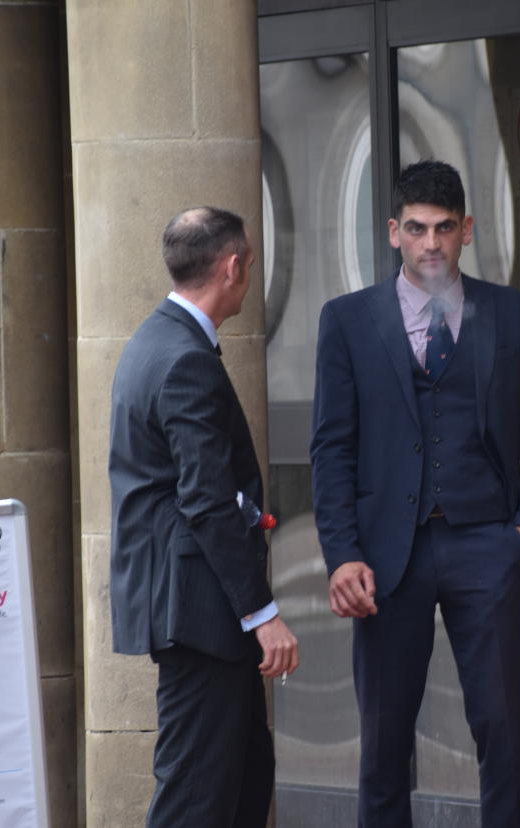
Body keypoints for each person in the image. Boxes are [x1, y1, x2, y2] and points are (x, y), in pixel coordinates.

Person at [311, 161, 520, 827]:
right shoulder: (348, 322)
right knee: (384, 744)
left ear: (467, 231)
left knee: (502, 732)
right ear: (393, 232)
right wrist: (341, 555)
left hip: (488, 544)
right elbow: (331, 450)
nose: (430, 243)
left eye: (444, 229)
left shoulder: (506, 313)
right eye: (416, 228)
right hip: (389, 560)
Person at [109, 206, 298, 827]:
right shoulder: (184, 356)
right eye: (250, 262)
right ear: (234, 266)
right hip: (199, 612)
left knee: (243, 781)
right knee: (196, 798)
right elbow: (206, 500)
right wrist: (263, 613)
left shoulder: (156, 340)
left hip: (196, 609)